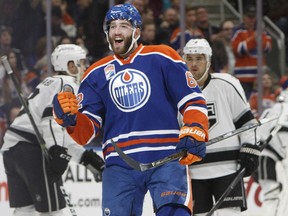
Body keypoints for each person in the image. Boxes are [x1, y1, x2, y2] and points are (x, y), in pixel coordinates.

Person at [52, 3, 209, 216]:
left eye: (124, 25)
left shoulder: (163, 56)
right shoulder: (95, 74)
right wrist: (69, 119)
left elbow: (192, 100)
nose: (116, 31)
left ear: (136, 31)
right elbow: (86, 133)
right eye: (112, 26)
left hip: (167, 156)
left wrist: (196, 128)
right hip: (120, 164)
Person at [1, 44, 105, 216]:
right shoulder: (68, 83)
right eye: (82, 62)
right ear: (70, 66)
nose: (85, 67)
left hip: (11, 149)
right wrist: (57, 151)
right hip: (32, 149)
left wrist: (84, 157)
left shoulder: (49, 83)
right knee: (52, 211)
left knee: (24, 210)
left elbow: (60, 129)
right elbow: (51, 120)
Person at [183, 38, 260, 216]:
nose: (194, 64)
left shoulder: (226, 84)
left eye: (200, 58)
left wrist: (249, 148)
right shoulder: (177, 92)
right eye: (190, 58)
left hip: (228, 168)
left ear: (208, 61)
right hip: (194, 172)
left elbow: (247, 123)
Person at [257, 88, 288, 216]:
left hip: (263, 155)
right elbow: (281, 129)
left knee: (273, 194)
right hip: (265, 156)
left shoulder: (276, 107)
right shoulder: (283, 107)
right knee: (271, 195)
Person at [231, 4, 272, 99]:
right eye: (250, 17)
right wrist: (253, 39)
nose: (252, 20)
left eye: (254, 17)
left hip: (260, 77)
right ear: (244, 17)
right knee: (245, 104)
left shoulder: (264, 31)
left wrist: (259, 36)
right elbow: (238, 50)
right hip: (243, 77)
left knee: (259, 105)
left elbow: (267, 48)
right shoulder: (238, 31)